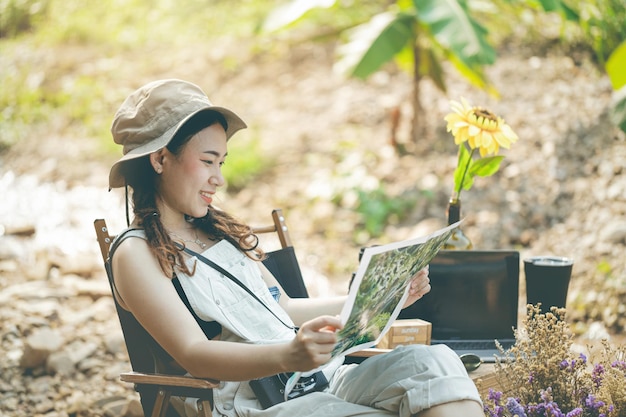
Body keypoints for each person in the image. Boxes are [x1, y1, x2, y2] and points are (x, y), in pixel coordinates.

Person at [107, 79, 484, 417]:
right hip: (255, 400)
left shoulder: (215, 232)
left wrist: (381, 298)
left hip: (316, 378)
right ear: (160, 159)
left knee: (434, 365)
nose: (218, 178)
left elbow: (283, 307)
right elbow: (194, 353)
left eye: (221, 162)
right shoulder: (136, 254)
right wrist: (289, 355)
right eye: (208, 161)